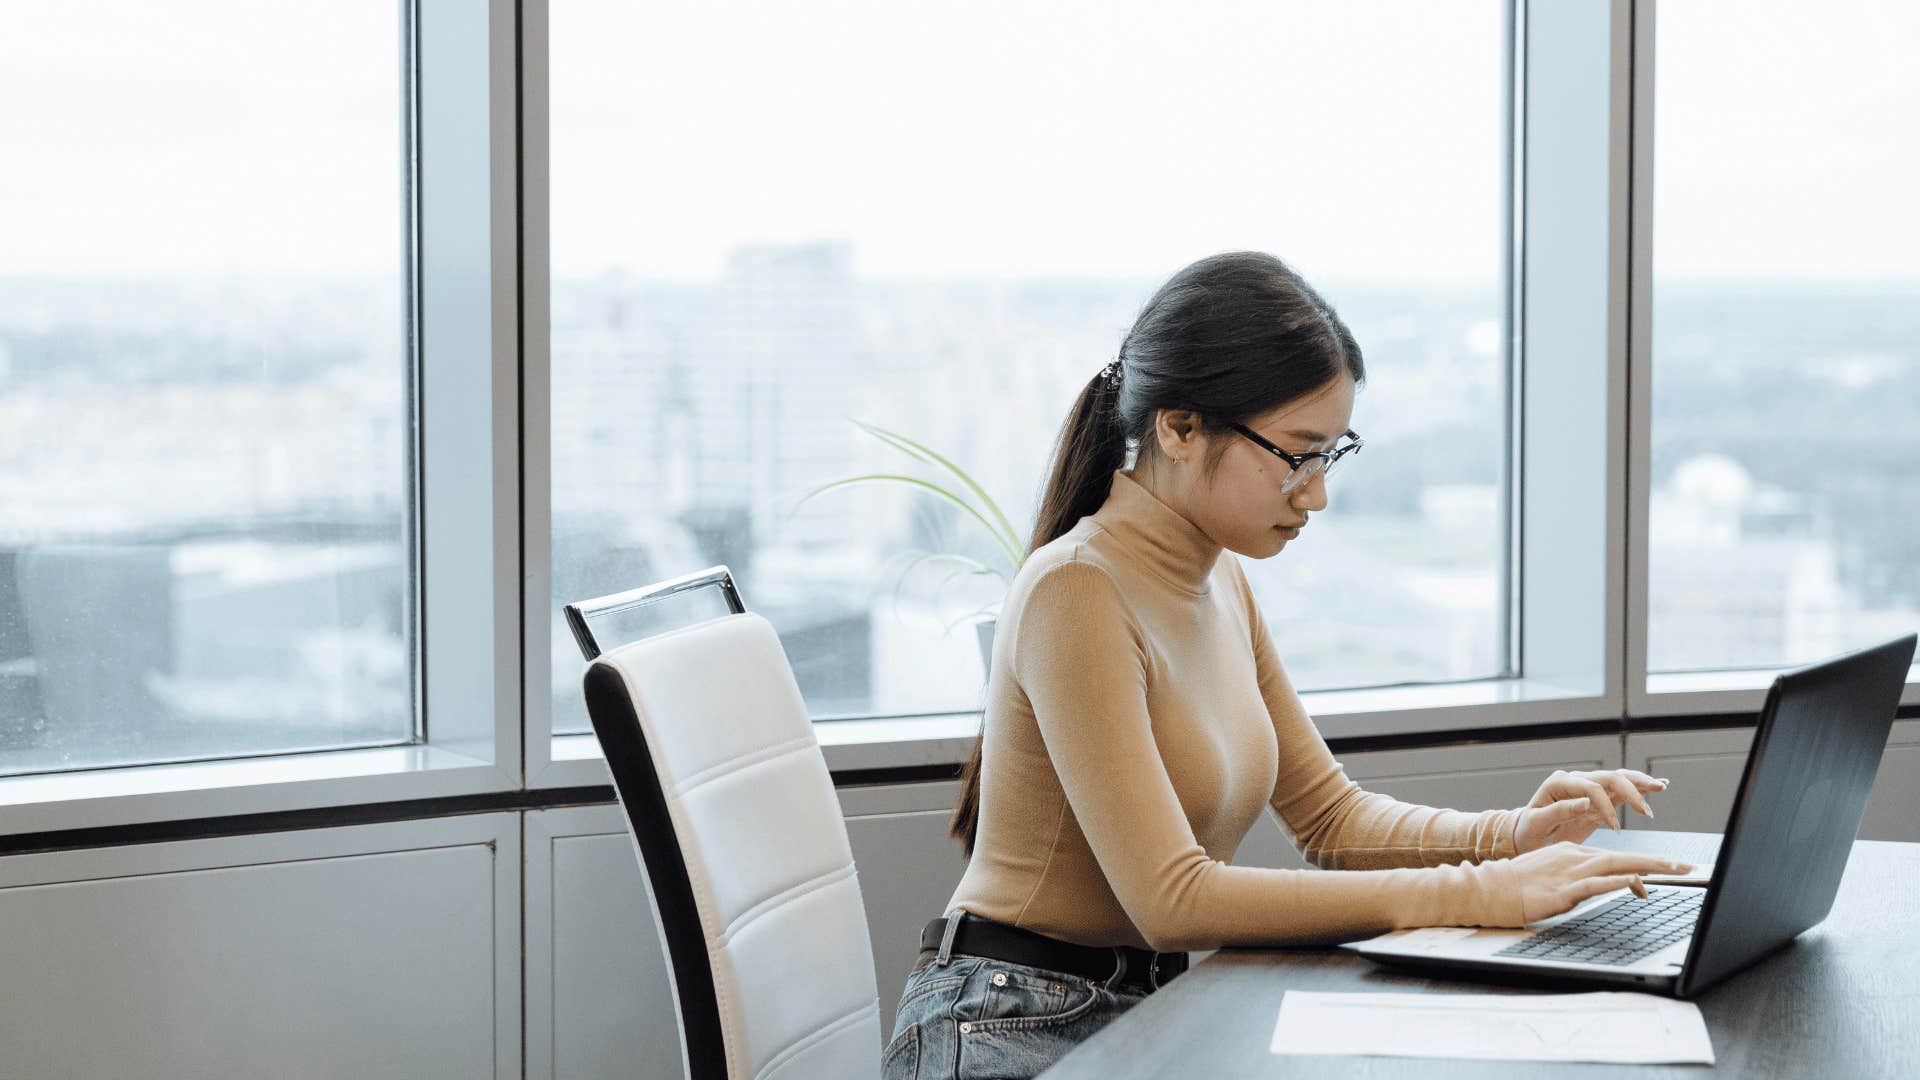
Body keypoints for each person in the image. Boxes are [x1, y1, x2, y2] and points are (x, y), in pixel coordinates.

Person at [879, 252, 1688, 1080]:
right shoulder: (1077, 589)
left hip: (1146, 1009)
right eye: (1298, 453)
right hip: (1011, 1023)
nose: (1317, 493)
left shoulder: (1218, 576)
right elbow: (1173, 900)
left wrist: (1512, 837)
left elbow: (1332, 822)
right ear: (1180, 428)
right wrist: (1478, 893)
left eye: (1332, 454)